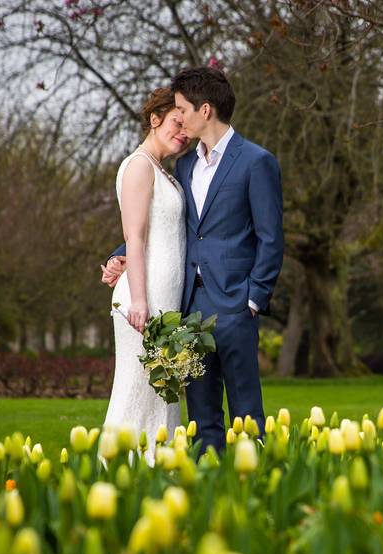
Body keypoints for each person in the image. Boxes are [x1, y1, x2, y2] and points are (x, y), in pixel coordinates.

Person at [102, 67, 284, 455]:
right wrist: (120, 256)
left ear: (205, 110)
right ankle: (207, 493)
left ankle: (256, 489)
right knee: (202, 419)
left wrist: (254, 298)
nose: (180, 117)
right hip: (188, 310)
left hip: (236, 306)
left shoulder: (256, 161)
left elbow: (271, 237)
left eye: (183, 108)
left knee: (247, 414)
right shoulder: (183, 167)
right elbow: (165, 226)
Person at [102, 87, 188, 465]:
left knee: (160, 397)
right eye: (175, 123)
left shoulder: (161, 171)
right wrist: (140, 300)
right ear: (155, 119)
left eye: (187, 129)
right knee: (136, 391)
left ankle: (155, 472)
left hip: (162, 301)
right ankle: (115, 471)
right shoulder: (138, 165)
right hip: (144, 303)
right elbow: (133, 237)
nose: (183, 134)